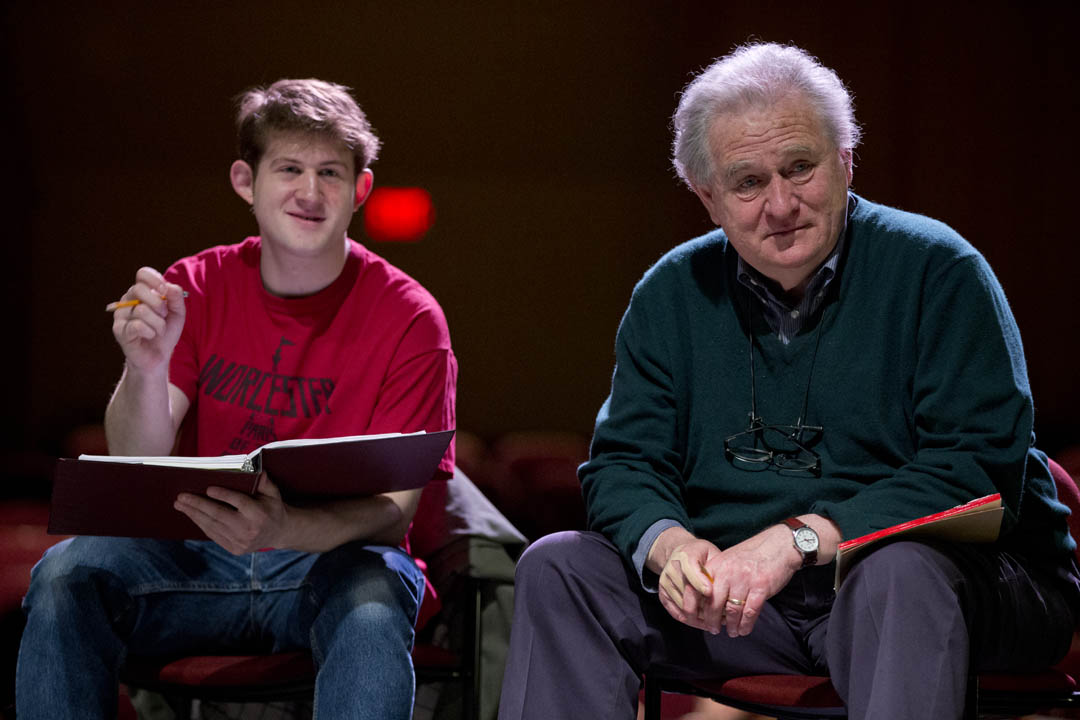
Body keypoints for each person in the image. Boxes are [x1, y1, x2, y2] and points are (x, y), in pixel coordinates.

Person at [497, 43, 1080, 720]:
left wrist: (798, 539)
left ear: (845, 161)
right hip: (750, 609)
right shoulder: (670, 294)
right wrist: (672, 548)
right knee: (561, 566)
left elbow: (976, 468)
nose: (780, 204)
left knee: (897, 575)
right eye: (747, 183)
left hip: (956, 586)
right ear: (708, 197)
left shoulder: (940, 272)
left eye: (799, 168)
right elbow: (625, 464)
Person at [16, 78, 456, 720]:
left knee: (373, 592)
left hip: (324, 568)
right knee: (64, 573)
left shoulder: (412, 317)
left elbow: (393, 512)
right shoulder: (192, 285)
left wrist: (285, 528)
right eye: (289, 169)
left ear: (360, 190)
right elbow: (136, 453)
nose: (310, 193)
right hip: (193, 563)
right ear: (246, 181)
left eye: (331, 172)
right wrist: (144, 367)